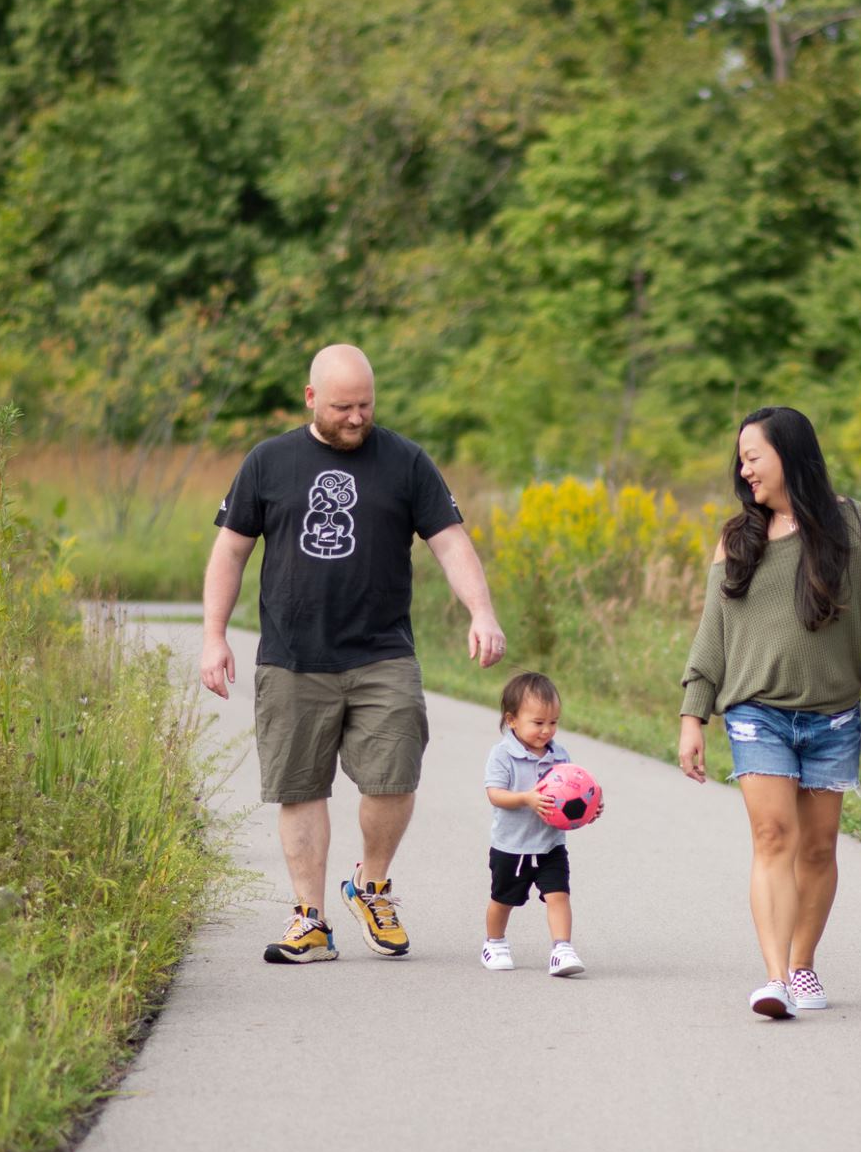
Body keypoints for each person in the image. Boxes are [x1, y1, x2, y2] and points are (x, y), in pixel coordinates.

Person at [200, 343, 506, 964]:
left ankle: (371, 885)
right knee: (300, 787)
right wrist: (213, 635)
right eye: (342, 406)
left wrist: (482, 611)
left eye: (365, 404)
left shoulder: (406, 462)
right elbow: (230, 551)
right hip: (291, 656)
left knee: (395, 774)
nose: (357, 417)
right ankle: (309, 920)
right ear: (311, 398)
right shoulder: (268, 462)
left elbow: (450, 543)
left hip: (382, 652)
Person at [677, 406, 861, 1019]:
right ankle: (775, 976)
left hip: (834, 716)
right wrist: (691, 715)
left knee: (818, 847)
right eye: (741, 459)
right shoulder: (740, 539)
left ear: (791, 454)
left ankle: (803, 963)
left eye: (753, 455)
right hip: (758, 715)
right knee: (772, 835)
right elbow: (714, 633)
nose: (744, 469)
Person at [481, 670, 597, 977]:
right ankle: (494, 943)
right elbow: (494, 794)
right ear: (512, 720)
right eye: (538, 723)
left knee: (559, 895)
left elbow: (574, 792)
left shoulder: (559, 755)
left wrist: (589, 808)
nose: (547, 731)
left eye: (553, 722)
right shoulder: (503, 755)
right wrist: (526, 799)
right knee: (502, 900)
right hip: (511, 846)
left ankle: (562, 949)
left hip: (550, 845)